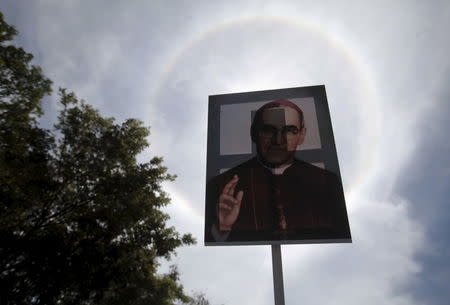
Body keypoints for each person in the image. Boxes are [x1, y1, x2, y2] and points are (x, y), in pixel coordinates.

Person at [205, 100, 351, 243]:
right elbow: (214, 240)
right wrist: (223, 226)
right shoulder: (221, 185)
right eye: (268, 130)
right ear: (254, 134)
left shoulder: (327, 182)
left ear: (302, 135)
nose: (278, 140)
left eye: (289, 130)